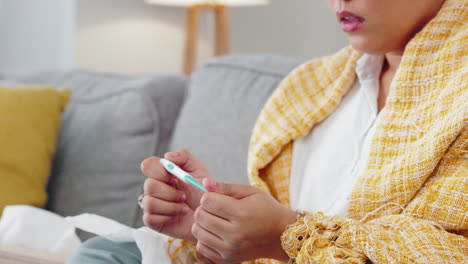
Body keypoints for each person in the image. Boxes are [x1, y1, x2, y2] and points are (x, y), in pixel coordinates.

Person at [69, 0, 467, 263]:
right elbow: (271, 224)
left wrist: (284, 235)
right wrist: (208, 224)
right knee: (109, 252)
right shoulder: (308, 88)